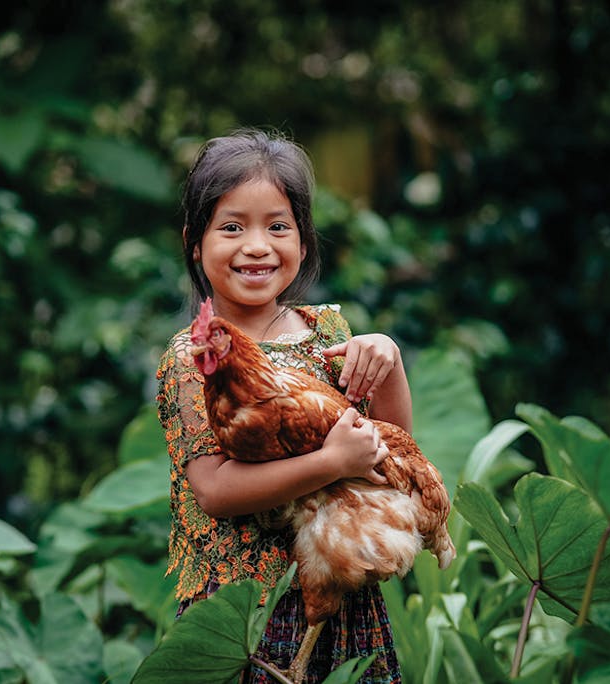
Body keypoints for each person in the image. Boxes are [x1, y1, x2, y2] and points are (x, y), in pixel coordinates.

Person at [156, 128, 411, 683]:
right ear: (193, 243)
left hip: (339, 595)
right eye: (231, 227)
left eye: (278, 226)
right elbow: (215, 490)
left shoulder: (329, 334)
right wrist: (329, 464)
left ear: (303, 239)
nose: (256, 245)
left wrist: (388, 359)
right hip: (245, 609)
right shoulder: (193, 356)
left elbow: (390, 451)